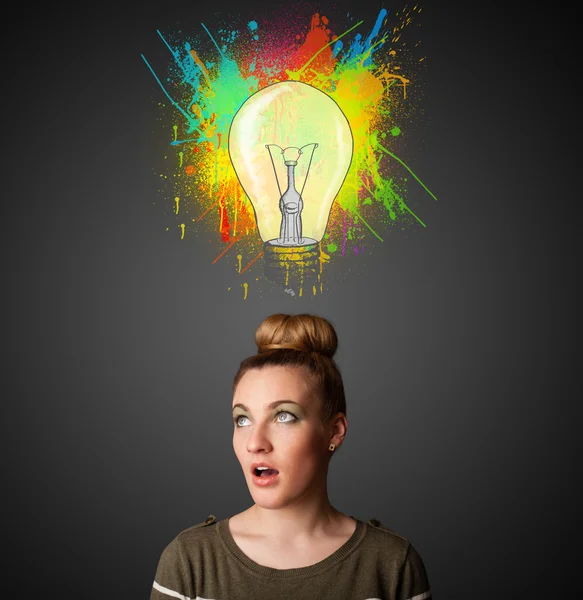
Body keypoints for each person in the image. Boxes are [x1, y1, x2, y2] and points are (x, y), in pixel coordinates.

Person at [150, 313, 433, 600]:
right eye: (242, 419)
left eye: (283, 416)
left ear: (334, 432)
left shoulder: (392, 564)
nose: (255, 443)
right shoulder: (189, 561)